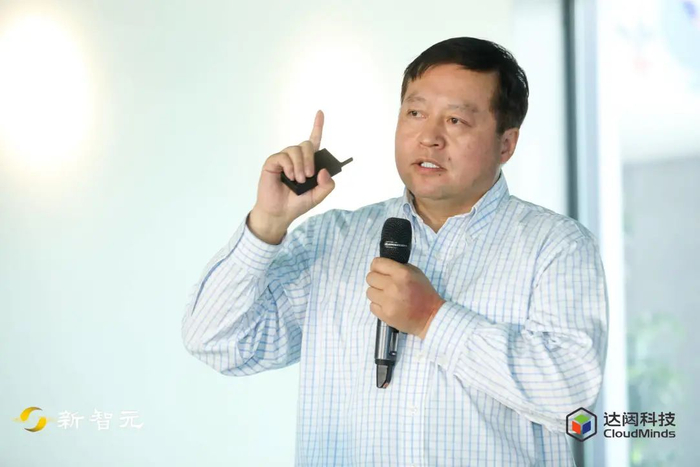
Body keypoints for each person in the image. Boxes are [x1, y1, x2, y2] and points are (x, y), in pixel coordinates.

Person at [181, 37, 608, 466]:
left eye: (456, 120)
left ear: (506, 144)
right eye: (415, 113)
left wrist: (433, 319)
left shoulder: (557, 246)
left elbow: (571, 397)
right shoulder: (331, 240)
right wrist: (266, 224)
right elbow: (217, 342)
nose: (429, 138)